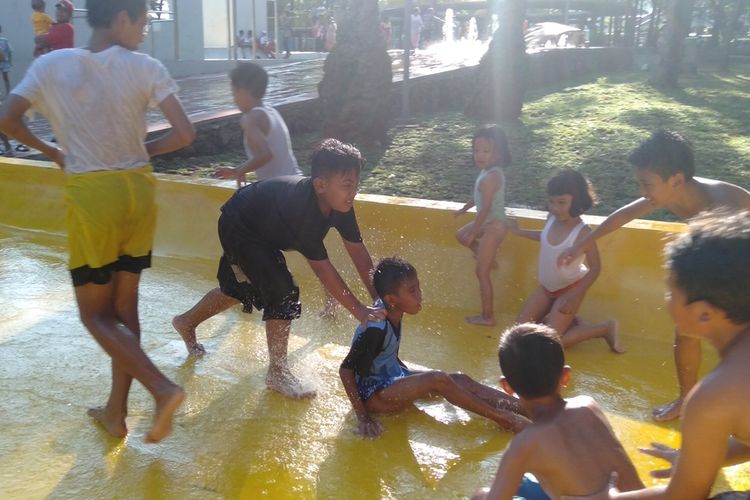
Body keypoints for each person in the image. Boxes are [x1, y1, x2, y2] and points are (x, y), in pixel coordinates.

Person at [0, 0, 195, 443]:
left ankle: (162, 390)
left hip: (94, 196)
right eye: (143, 22)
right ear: (121, 18)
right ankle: (115, 413)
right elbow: (185, 134)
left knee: (94, 316)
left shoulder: (52, 65)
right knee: (125, 309)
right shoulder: (145, 67)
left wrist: (52, 153)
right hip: (139, 192)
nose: (145, 31)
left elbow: (6, 119)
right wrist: (150, 152)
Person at [558, 131, 750, 421]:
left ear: (676, 179)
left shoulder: (719, 208)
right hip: (724, 254)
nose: (641, 190)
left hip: (739, 257)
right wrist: (582, 244)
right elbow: (624, 215)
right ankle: (687, 400)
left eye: (646, 184)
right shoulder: (671, 192)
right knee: (685, 328)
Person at [173, 138, 382, 399]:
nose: (354, 192)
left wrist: (379, 298)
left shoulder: (341, 204)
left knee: (242, 290)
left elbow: (359, 254)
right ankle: (277, 372)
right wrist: (361, 311)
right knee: (283, 291)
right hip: (240, 224)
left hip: (263, 228)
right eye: (348, 185)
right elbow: (323, 271)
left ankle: (186, 322)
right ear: (320, 185)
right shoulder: (303, 211)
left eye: (356, 184)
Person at [566, 211, 750, 500]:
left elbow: (684, 497)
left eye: (671, 292)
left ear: (704, 313)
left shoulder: (715, 395)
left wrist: (607, 499)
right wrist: (698, 457)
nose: (667, 302)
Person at [173, 61, 302, 355]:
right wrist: (245, 178)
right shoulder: (271, 112)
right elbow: (272, 157)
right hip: (269, 210)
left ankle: (187, 322)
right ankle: (187, 322)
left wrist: (236, 171)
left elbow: (264, 154)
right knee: (256, 285)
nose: (233, 96)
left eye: (233, 90)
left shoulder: (250, 118)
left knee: (246, 286)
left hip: (266, 211)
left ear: (242, 90)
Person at [339, 257, 529, 439]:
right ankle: (504, 419)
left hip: (391, 379)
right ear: (392, 299)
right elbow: (346, 370)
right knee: (438, 379)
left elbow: (386, 354)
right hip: (374, 396)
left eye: (418, 287)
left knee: (459, 379)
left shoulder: (392, 308)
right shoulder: (376, 328)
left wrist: (411, 382)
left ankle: (527, 408)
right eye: (412, 291)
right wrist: (363, 418)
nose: (420, 294)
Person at [472, 323, 644, 500]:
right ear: (566, 376)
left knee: (482, 496)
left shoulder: (524, 445)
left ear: (506, 387)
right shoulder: (588, 405)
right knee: (527, 483)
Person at [509, 170, 624, 352]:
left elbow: (595, 268)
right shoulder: (551, 218)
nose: (555, 208)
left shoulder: (583, 232)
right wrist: (519, 232)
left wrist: (575, 295)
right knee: (518, 334)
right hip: (546, 288)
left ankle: (604, 328)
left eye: (562, 203)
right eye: (552, 202)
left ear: (576, 202)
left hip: (569, 290)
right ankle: (568, 321)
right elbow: (546, 237)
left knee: (553, 344)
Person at [454, 125, 511, 326]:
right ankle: (487, 258)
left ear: (498, 153)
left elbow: (485, 208)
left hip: (493, 227)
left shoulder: (491, 177)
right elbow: (478, 198)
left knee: (481, 272)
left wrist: (475, 231)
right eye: (476, 150)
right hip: (488, 224)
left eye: (486, 151)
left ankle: (488, 317)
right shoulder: (488, 173)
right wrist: (464, 209)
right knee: (461, 234)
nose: (479, 155)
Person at [0, 25, 12, 98]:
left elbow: (10, 51)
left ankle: (8, 93)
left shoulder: (4, 40)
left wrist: (10, 62)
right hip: (5, 62)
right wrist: (10, 62)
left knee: (5, 77)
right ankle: (8, 93)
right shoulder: (5, 40)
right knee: (6, 78)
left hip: (4, 62)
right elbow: (10, 51)